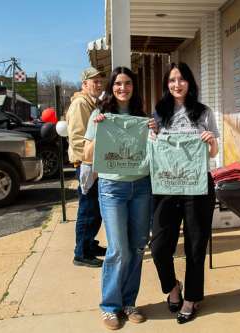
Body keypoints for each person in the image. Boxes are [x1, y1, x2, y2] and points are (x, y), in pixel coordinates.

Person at [83, 66, 156, 330]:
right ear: (111, 87)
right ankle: (110, 307)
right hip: (113, 188)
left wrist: (153, 132)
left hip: (141, 186)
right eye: (117, 84)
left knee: (137, 246)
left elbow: (153, 150)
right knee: (118, 249)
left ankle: (129, 302)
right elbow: (87, 156)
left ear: (133, 87)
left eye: (127, 83)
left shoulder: (142, 117)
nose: (122, 88)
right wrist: (98, 130)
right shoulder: (100, 115)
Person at [149, 62, 219, 324]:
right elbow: (152, 147)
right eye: (171, 80)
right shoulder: (159, 113)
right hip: (166, 186)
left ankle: (191, 298)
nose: (176, 85)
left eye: (181, 79)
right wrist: (151, 136)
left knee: (196, 244)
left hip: (198, 186)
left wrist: (211, 141)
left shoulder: (203, 112)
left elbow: (213, 153)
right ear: (167, 84)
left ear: (189, 82)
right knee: (158, 246)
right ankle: (173, 287)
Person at [67, 67, 106, 268]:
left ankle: (89, 244)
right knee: (88, 208)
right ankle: (81, 252)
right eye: (94, 81)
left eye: (100, 81)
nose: (98, 85)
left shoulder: (93, 103)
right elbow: (76, 138)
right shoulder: (80, 104)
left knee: (95, 208)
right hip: (86, 164)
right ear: (84, 84)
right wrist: (88, 163)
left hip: (94, 163)